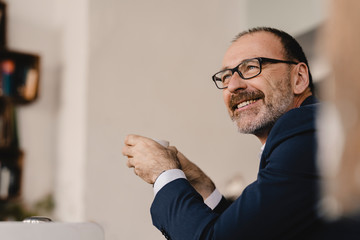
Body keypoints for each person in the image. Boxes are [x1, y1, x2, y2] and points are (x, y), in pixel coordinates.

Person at [122, 27, 320, 239]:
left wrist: (163, 174)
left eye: (252, 67)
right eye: (226, 76)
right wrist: (203, 186)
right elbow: (252, 231)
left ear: (299, 77)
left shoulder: (306, 126)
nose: (233, 85)